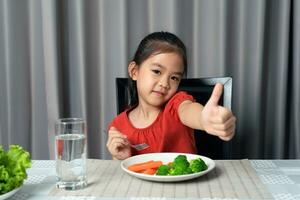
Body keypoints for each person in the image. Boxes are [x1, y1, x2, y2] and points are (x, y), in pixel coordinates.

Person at [106, 31, 236, 160]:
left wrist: (204, 119)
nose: (164, 84)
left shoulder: (176, 104)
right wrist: (119, 158)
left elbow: (188, 110)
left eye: (174, 78)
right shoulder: (117, 125)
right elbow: (120, 174)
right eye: (157, 71)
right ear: (134, 71)